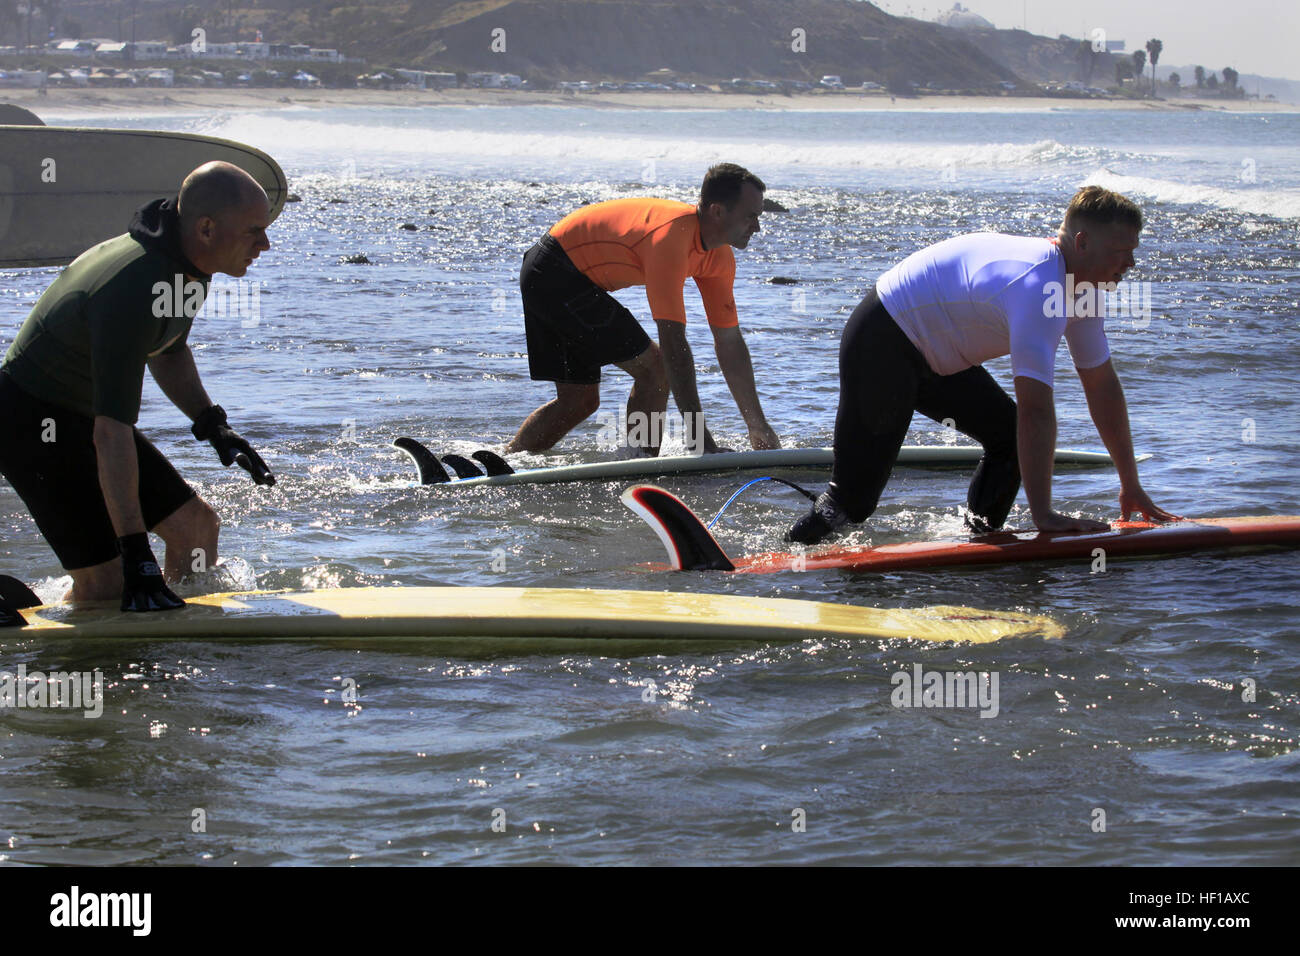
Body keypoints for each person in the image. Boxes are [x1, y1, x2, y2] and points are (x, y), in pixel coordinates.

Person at [789, 185, 1179, 544]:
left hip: (936, 352)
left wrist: (1130, 483)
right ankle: (782, 558)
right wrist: (1044, 515)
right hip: (884, 337)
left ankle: (978, 539)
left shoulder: (1085, 289)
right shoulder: (1039, 284)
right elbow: (1036, 409)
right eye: (1120, 251)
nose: (1130, 263)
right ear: (1082, 242)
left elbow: (1102, 387)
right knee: (852, 502)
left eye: (1134, 251)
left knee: (1008, 438)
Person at [0, 161, 275, 611]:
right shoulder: (135, 288)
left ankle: (170, 646)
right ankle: (103, 645)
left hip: (82, 413)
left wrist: (211, 423)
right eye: (254, 231)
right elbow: (111, 434)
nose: (265, 244)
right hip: (29, 421)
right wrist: (135, 552)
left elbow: (167, 351)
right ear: (206, 228)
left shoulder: (189, 264)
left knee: (196, 533)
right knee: (108, 585)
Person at [507, 163, 781, 456]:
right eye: (751, 216)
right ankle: (639, 462)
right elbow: (673, 342)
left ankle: (508, 462)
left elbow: (729, 343)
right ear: (717, 211)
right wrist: (700, 440)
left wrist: (757, 425)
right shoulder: (671, 239)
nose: (757, 227)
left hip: (558, 275)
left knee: (579, 402)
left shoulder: (719, 258)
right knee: (657, 368)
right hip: (553, 272)